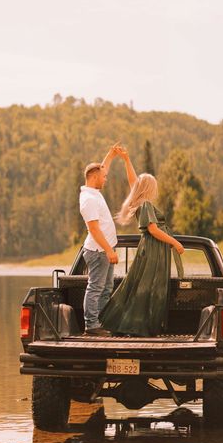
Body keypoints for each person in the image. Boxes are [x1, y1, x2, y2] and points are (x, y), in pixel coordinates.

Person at [99, 147, 184, 337]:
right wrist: (174, 242)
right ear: (149, 188)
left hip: (153, 250)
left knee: (143, 286)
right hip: (153, 250)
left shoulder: (140, 202)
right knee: (149, 287)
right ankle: (139, 326)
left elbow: (133, 182)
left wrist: (127, 160)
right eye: (154, 186)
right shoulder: (145, 204)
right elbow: (153, 229)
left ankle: (141, 325)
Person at [79, 144, 120, 336]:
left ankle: (101, 322)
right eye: (103, 177)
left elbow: (102, 169)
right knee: (96, 288)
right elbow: (94, 229)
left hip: (104, 250)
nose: (106, 179)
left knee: (106, 288)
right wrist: (109, 250)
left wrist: (110, 155)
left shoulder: (93, 193)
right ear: (94, 178)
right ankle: (91, 325)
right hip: (98, 251)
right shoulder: (88, 199)